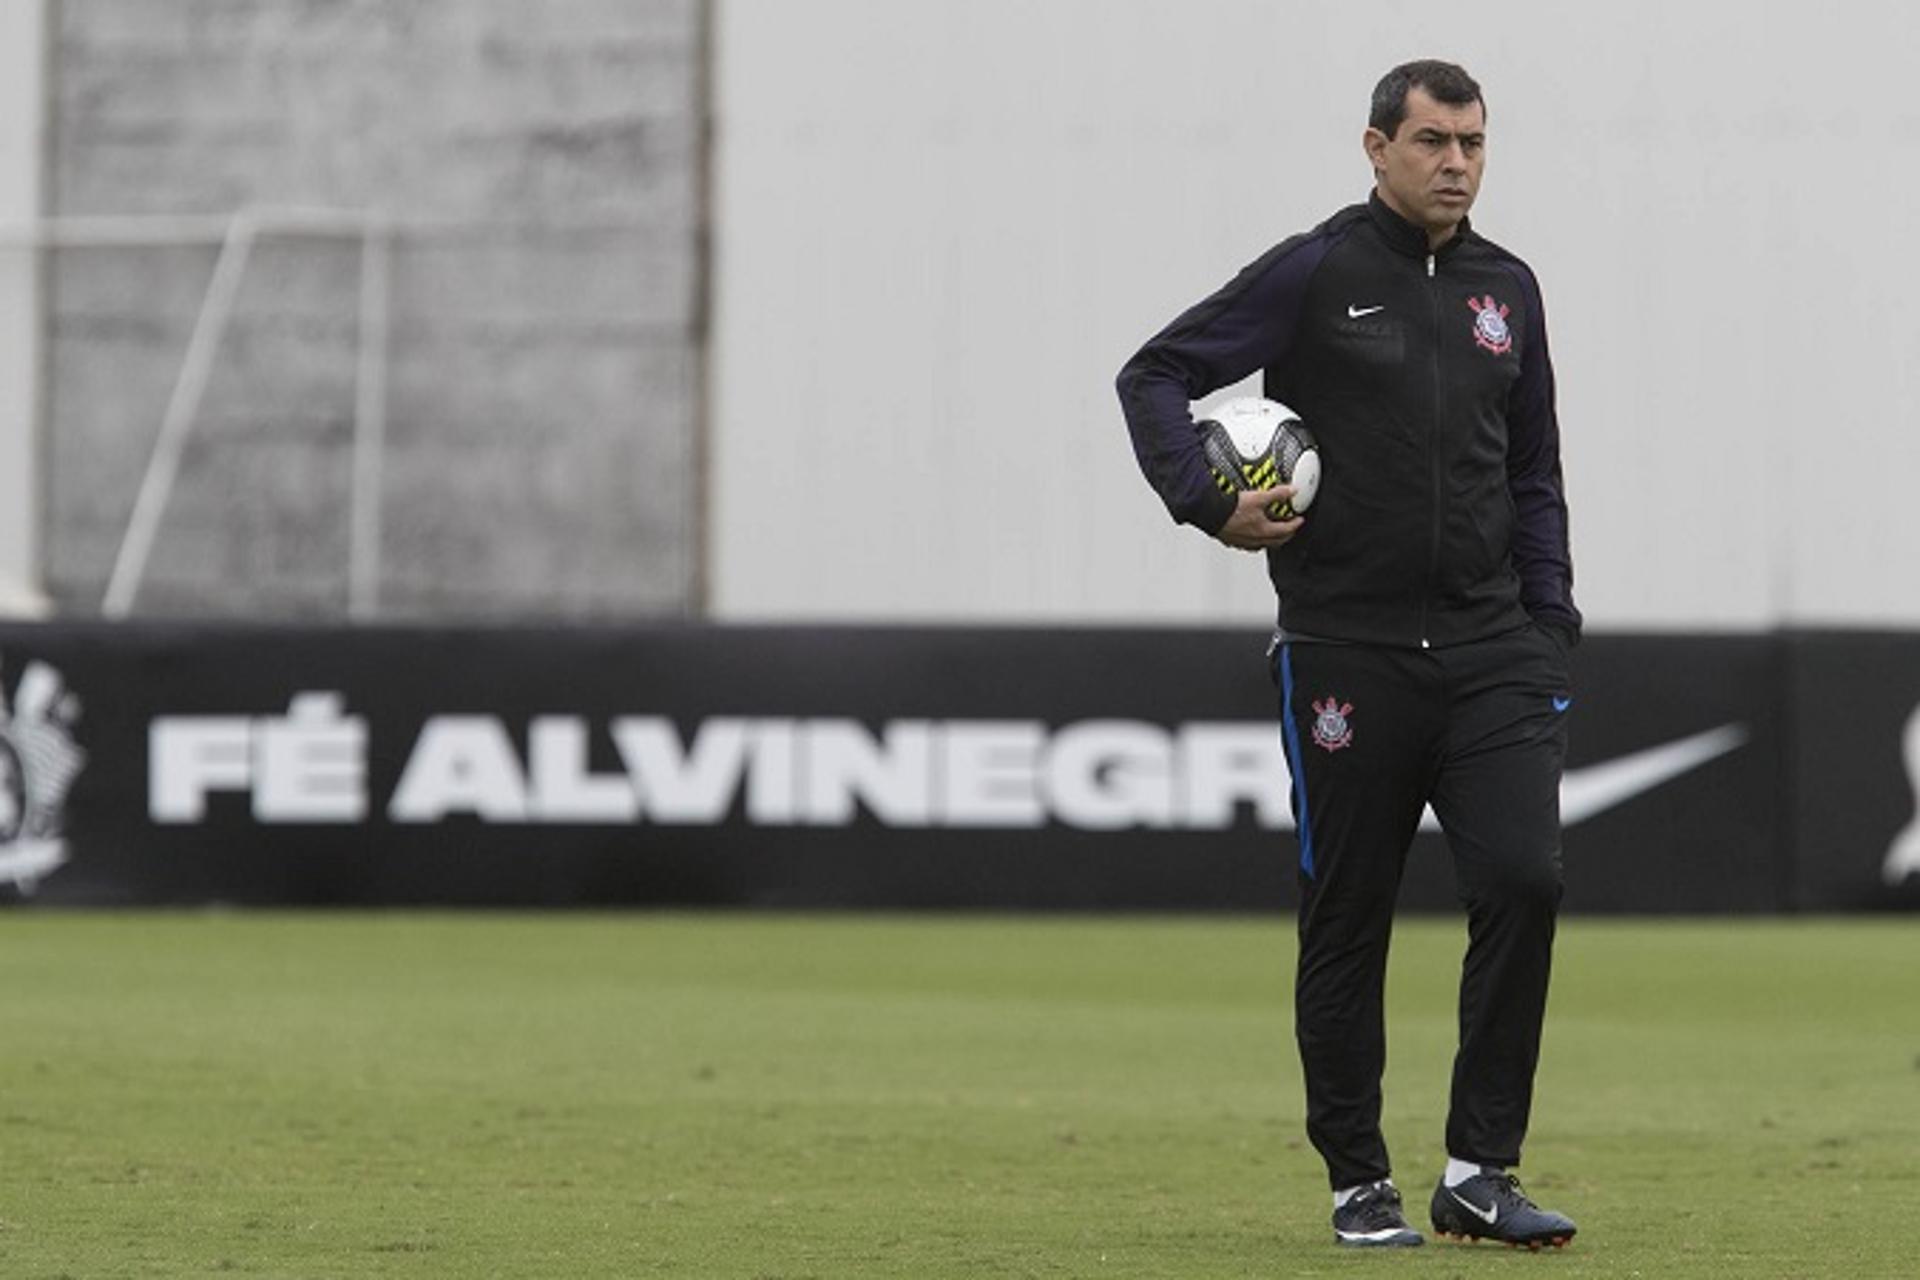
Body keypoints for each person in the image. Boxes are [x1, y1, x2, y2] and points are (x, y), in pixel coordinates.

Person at [1115, 60, 1581, 1250]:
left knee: (1525, 880)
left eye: (1473, 142)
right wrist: (1202, 499)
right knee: (1350, 911)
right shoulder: (1316, 271)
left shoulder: (1508, 291)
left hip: (1491, 650)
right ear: (1375, 149)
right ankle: (1358, 1179)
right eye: (1432, 141)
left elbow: (1532, 474)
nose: (1457, 163)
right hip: (1345, 649)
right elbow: (1155, 374)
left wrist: (1551, 623)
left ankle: (1480, 1167)